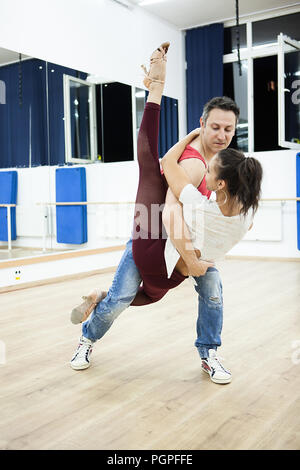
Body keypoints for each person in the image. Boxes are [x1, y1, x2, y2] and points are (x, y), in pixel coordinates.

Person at [70, 42, 262, 384]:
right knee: (125, 299)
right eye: (215, 127)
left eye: (228, 129)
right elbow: (167, 200)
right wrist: (196, 259)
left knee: (145, 296)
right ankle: (87, 339)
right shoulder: (193, 163)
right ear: (203, 123)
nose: (221, 135)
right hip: (157, 240)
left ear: (235, 130)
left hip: (179, 252)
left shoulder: (223, 168)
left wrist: (205, 253)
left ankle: (209, 353)